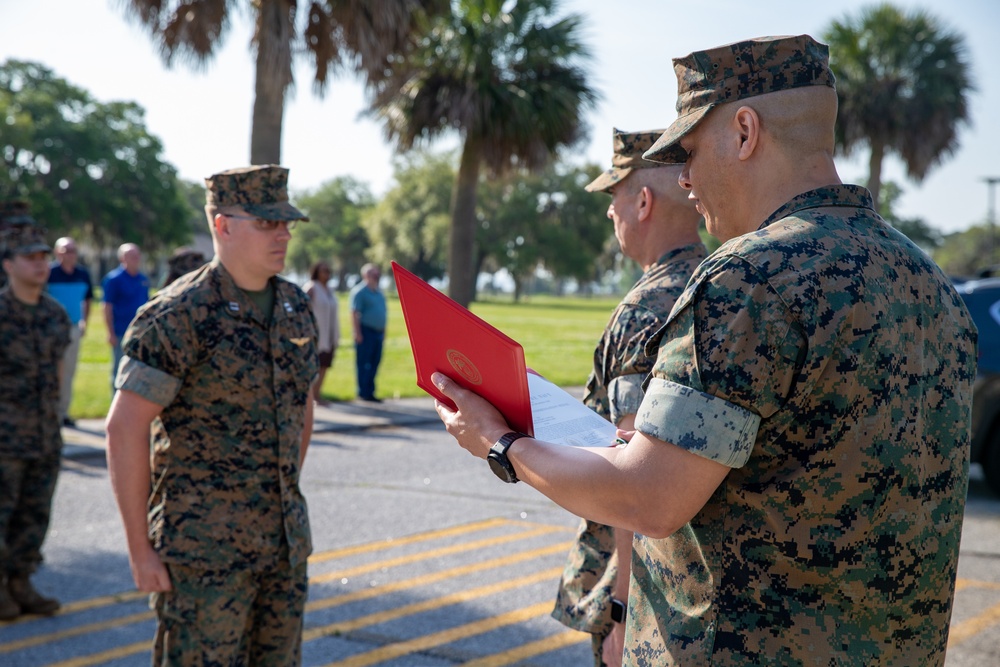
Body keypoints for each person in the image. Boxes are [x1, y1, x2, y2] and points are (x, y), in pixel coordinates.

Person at [431, 35, 978, 666]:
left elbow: (648, 498)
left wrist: (500, 444)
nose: (683, 177)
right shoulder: (929, 282)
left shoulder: (748, 278)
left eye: (689, 151)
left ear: (745, 131)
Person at [105, 165, 318, 663]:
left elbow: (302, 406)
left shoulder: (294, 306)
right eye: (267, 223)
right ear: (222, 225)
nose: (283, 233)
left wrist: (280, 490)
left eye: (286, 223)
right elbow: (124, 428)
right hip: (203, 557)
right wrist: (140, 549)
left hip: (284, 548)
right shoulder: (179, 315)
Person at [552, 128, 706, 667]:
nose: (609, 213)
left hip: (650, 594)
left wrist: (622, 608)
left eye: (613, 197)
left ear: (642, 201)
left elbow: (630, 467)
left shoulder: (648, 305)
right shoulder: (717, 282)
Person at [0, 207, 71, 620]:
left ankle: (20, 582)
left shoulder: (53, 315)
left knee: (35, 515)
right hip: (5, 440)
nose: (39, 264)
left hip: (44, 437)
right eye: (30, 257)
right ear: (8, 264)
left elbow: (59, 378)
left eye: (43, 257)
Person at [47, 237, 94, 427]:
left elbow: (88, 300)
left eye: (73, 250)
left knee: (68, 371)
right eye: (66, 250)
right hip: (50, 328)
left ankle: (63, 412)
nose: (70, 254)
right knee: (51, 372)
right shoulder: (49, 273)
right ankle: (51, 413)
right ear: (57, 253)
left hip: (73, 327)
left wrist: (85, 322)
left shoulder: (83, 274)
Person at [101, 242, 149, 393]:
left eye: (137, 255)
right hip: (121, 331)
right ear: (123, 258)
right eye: (132, 256)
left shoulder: (143, 279)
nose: (136, 258)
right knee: (119, 370)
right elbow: (107, 307)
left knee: (140, 371)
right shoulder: (114, 279)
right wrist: (110, 332)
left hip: (140, 332)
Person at [303, 261, 340, 406]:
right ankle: (311, 395)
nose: (326, 274)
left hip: (329, 334)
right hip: (315, 333)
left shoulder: (330, 290)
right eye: (323, 270)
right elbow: (304, 309)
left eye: (328, 271)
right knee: (314, 366)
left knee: (325, 364)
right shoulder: (311, 288)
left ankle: (318, 393)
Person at [351, 262, 387, 402]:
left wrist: (384, 331)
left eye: (377, 274)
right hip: (366, 331)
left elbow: (383, 312)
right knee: (364, 363)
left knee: (375, 362)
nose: (376, 276)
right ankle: (363, 392)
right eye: (373, 274)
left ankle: (370, 391)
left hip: (378, 333)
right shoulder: (359, 292)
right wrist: (357, 332)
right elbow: (354, 313)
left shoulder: (379, 292)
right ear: (365, 275)